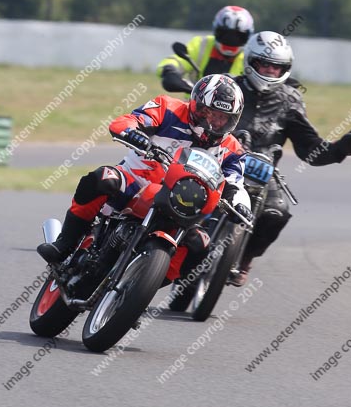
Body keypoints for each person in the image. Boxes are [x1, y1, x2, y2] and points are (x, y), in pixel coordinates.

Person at [37, 74, 253, 280]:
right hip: (134, 183)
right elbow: (127, 121)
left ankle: (137, 294)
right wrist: (133, 133)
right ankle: (65, 244)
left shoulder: (232, 149)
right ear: (197, 105)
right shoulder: (168, 107)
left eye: (222, 118)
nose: (214, 122)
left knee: (200, 246)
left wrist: (241, 206)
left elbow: (236, 183)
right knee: (103, 178)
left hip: (182, 204)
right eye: (210, 113)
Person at [229, 30, 351, 286]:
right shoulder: (228, 85)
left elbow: (309, 150)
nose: (270, 71)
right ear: (250, 61)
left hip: (262, 172)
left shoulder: (290, 99)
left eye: (276, 67)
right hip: (220, 159)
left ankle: (244, 260)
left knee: (277, 212)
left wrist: (341, 148)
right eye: (265, 64)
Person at [157, 5, 255, 94]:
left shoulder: (251, 58)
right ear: (216, 30)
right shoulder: (201, 45)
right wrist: (169, 70)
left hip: (237, 111)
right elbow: (177, 60)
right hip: (194, 107)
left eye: (238, 36)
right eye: (225, 34)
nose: (231, 40)